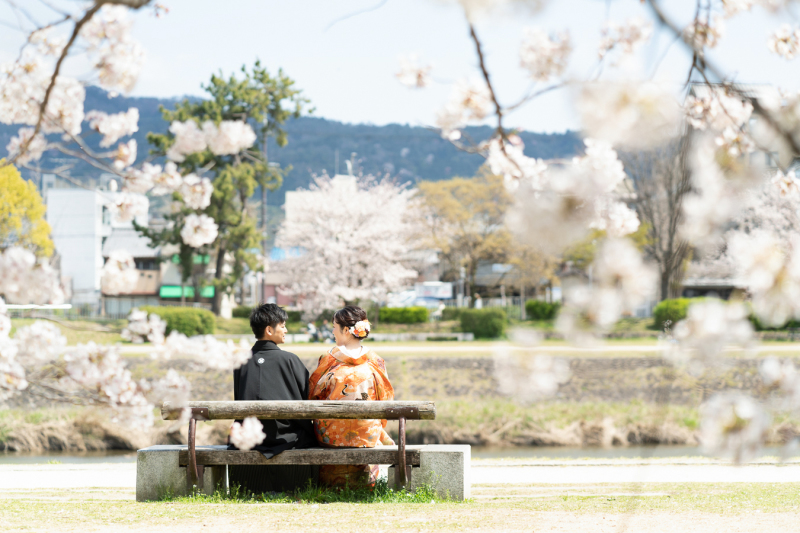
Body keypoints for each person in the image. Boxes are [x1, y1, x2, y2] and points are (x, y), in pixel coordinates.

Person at [228, 303, 317, 492]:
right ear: (269, 330)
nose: (286, 330)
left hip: (250, 439)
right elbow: (306, 398)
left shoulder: (241, 361)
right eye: (282, 325)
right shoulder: (290, 360)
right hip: (287, 438)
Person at [308, 305, 394, 488]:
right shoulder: (375, 360)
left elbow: (313, 395)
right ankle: (370, 479)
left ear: (346, 330)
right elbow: (385, 398)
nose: (332, 331)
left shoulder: (329, 358)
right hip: (366, 436)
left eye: (334, 326)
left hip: (331, 437)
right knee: (375, 425)